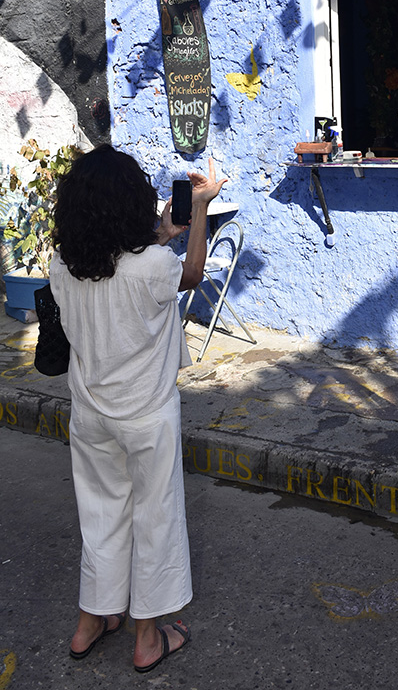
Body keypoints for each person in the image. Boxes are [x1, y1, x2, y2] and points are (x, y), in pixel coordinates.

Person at [49, 145, 226, 673]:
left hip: (91, 411)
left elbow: (118, 266)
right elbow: (190, 275)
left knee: (101, 515)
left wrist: (162, 233)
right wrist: (199, 210)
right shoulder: (151, 266)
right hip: (146, 414)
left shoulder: (64, 263)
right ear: (131, 202)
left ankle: (91, 621)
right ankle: (147, 638)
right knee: (154, 518)